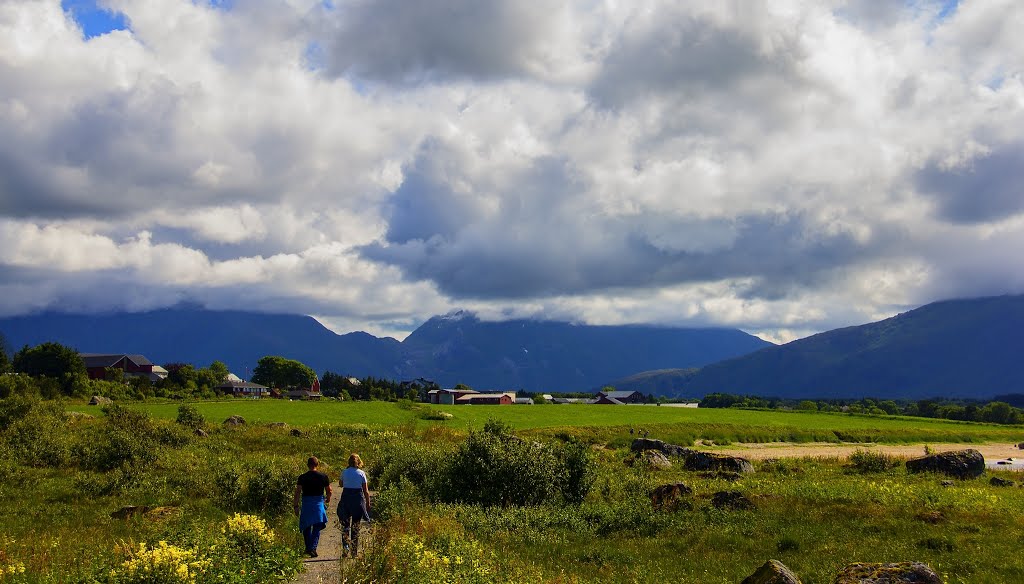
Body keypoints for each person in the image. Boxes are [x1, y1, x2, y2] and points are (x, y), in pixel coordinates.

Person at [294, 456, 332, 558]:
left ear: (308, 465)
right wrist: (328, 499)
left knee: (306, 526)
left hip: (306, 503)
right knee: (317, 526)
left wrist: (296, 505)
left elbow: (297, 492)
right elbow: (329, 490)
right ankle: (313, 547)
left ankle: (308, 547)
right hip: (318, 503)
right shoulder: (323, 476)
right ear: (317, 464)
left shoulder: (302, 477)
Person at [338, 453, 371, 557]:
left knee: (345, 525)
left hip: (346, 498)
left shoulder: (344, 472)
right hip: (357, 499)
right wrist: (367, 503)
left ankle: (345, 547)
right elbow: (365, 491)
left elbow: (341, 484)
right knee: (355, 525)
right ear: (358, 462)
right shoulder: (361, 473)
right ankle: (354, 551)